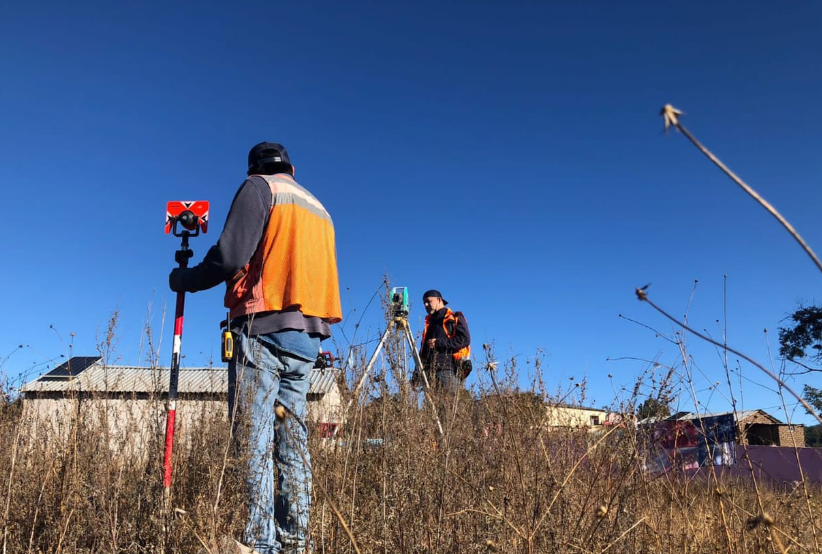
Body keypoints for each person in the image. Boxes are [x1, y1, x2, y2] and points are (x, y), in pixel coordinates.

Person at [169, 142, 342, 554]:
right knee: (291, 437)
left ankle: (260, 542)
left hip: (262, 331)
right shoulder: (319, 209)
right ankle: (295, 542)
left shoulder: (259, 188)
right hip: (305, 341)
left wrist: (186, 280)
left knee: (255, 438)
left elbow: (230, 256)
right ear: (292, 167)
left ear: (254, 167)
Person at [415, 289, 471, 392]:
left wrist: (438, 343)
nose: (426, 305)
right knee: (432, 408)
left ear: (439, 300)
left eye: (429, 301)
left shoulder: (454, 317)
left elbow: (464, 339)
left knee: (450, 405)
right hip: (428, 373)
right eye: (424, 303)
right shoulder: (429, 324)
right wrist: (417, 373)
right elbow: (424, 351)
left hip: (447, 370)